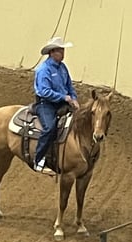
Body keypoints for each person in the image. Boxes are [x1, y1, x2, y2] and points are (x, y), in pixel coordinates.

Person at [33, 37, 80, 175]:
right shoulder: (44, 70)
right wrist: (64, 97)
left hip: (63, 102)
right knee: (49, 127)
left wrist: (74, 99)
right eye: (60, 50)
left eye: (63, 50)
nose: (63, 53)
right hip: (46, 104)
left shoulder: (63, 68)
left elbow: (69, 86)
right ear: (52, 52)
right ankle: (38, 159)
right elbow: (44, 91)